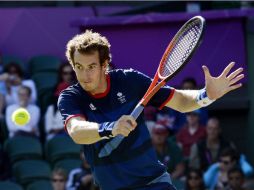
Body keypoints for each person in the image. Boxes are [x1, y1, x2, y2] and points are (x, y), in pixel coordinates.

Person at [58, 30, 244, 190]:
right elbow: (77, 131)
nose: (84, 75)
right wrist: (112, 128)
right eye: (79, 67)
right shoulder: (71, 97)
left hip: (153, 183)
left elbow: (180, 101)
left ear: (104, 64)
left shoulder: (130, 81)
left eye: (91, 67)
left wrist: (207, 95)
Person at [45, 63, 76, 141]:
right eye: (65, 73)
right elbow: (48, 129)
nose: (68, 76)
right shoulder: (52, 107)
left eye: (71, 73)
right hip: (56, 137)